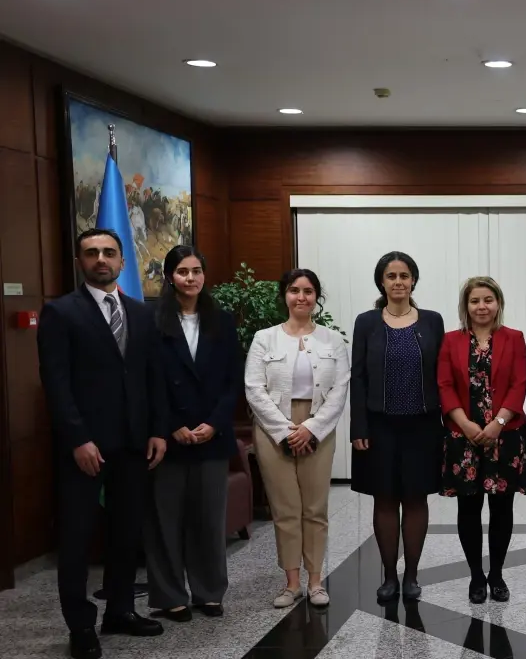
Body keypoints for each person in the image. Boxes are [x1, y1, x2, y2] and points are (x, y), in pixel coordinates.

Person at [37, 228, 169, 659]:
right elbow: (56, 384)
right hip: (85, 447)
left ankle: (120, 610)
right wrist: (78, 438)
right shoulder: (61, 313)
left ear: (123, 262)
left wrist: (156, 430)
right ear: (79, 261)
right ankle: (80, 625)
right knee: (77, 536)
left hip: (133, 442)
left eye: (109, 253)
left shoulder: (140, 312)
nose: (101, 259)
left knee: (126, 532)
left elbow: (151, 377)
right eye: (92, 253)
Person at [145, 245, 242, 622]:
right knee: (165, 520)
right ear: (170, 276)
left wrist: (215, 423)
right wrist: (172, 426)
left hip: (211, 435)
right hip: (168, 436)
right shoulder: (152, 321)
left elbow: (233, 380)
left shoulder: (222, 320)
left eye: (197, 271)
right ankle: (170, 595)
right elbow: (149, 381)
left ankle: (209, 591)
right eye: (183, 271)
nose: (191, 278)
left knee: (208, 519)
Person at [245, 269, 350, 609]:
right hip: (274, 428)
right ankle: (291, 582)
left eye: (308, 291)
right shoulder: (265, 338)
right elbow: (254, 389)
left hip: (318, 428)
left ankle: (316, 581)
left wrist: (312, 428)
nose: (301, 297)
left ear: (316, 297)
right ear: (285, 296)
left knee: (315, 509)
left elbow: (339, 391)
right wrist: (286, 430)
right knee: (286, 509)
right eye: (294, 290)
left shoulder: (332, 340)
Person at [350, 252, 445, 603]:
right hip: (379, 427)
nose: (398, 282)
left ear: (413, 281)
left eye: (404, 275)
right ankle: (389, 576)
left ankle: (412, 576)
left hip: (422, 426)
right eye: (391, 276)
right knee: (385, 499)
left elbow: (443, 375)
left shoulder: (433, 321)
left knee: (416, 498)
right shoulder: (367, 322)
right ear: (382, 282)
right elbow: (357, 377)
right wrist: (358, 426)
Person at [438, 277, 526, 604]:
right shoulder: (450, 341)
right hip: (462, 437)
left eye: (488, 300)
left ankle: (496, 574)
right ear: (465, 306)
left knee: (501, 508)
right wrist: (465, 423)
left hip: (504, 436)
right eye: (475, 301)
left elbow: (520, 382)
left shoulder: (514, 338)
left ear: (498, 303)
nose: (482, 306)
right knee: (468, 507)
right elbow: (444, 385)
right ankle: (476, 577)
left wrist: (498, 422)